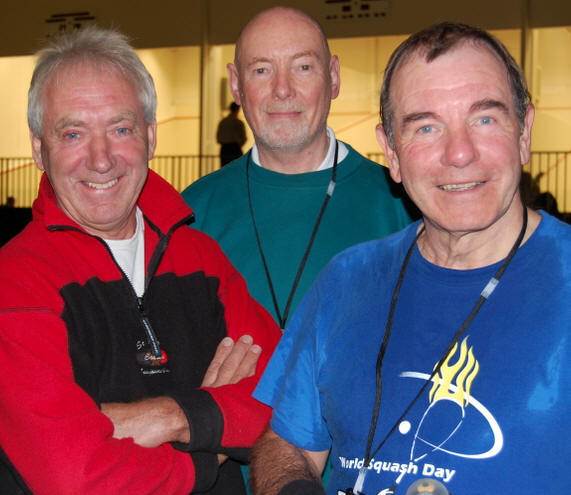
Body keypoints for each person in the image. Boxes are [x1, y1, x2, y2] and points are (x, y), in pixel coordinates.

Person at [251, 22, 571, 495]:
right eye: (426, 127)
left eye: (484, 119)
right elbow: (287, 443)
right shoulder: (346, 280)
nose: (459, 153)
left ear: (524, 132)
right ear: (392, 153)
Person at [0, 26, 280, 495]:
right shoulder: (16, 283)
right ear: (38, 149)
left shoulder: (201, 259)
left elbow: (289, 397)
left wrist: (171, 417)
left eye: (121, 129)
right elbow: (75, 476)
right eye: (73, 133)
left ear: (150, 137)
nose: (101, 159)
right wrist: (208, 444)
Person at [182, 6, 412, 330]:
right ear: (236, 85)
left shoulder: (402, 208)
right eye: (261, 70)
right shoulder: (192, 214)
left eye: (303, 67)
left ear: (333, 77)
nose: (282, 89)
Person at [217, 102, 247, 166]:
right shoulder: (238, 123)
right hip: (235, 149)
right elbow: (243, 138)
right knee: (237, 169)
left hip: (224, 149)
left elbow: (218, 138)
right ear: (237, 109)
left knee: (226, 169)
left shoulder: (223, 122)